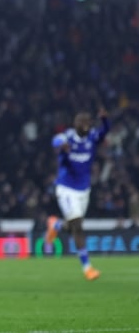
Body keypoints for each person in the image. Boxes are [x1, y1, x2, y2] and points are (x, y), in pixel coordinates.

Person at [44, 107, 109, 281]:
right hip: (66, 188)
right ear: (76, 124)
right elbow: (55, 140)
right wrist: (61, 145)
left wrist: (104, 120)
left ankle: (55, 225)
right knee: (78, 227)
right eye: (83, 122)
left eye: (88, 122)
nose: (86, 125)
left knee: (73, 226)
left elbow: (103, 134)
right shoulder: (69, 136)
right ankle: (87, 268)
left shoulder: (92, 137)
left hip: (84, 189)